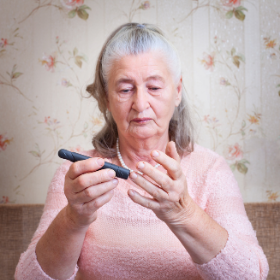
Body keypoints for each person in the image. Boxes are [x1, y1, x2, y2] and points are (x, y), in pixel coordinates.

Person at [15, 23, 269, 280]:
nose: (140, 103)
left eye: (154, 88)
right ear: (105, 98)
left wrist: (184, 213)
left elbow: (251, 275)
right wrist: (73, 218)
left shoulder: (210, 170)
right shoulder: (78, 178)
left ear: (177, 91)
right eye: (125, 89)